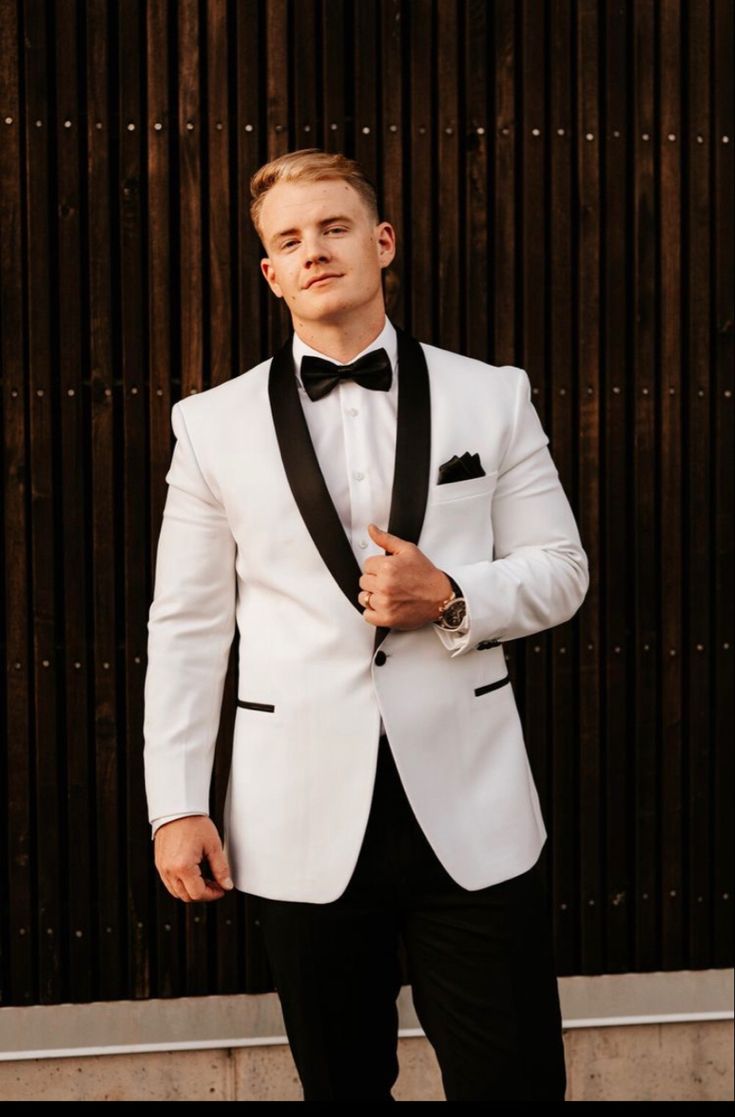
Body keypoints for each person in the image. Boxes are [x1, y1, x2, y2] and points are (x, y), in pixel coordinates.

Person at [143, 148, 589, 1102]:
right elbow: (185, 628)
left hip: (472, 808)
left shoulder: (492, 394)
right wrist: (176, 802)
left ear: (381, 242)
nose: (315, 251)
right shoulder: (209, 424)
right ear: (270, 271)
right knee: (341, 1086)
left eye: (335, 227)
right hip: (295, 808)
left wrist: (454, 596)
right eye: (289, 239)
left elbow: (562, 572)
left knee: (514, 1079)